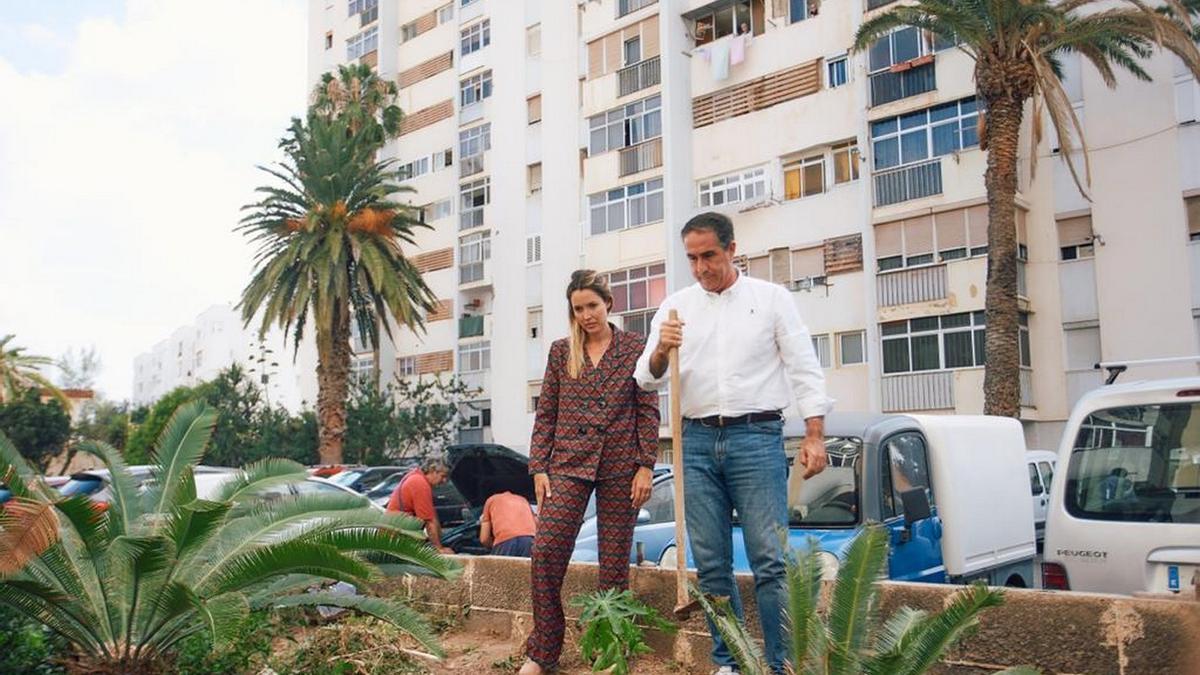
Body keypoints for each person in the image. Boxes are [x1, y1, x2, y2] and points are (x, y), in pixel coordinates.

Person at [635, 212, 833, 675]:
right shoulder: (675, 308)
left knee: (769, 557)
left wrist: (815, 433)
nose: (701, 267)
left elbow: (804, 367)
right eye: (692, 258)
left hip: (757, 437)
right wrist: (663, 348)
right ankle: (731, 663)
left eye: (709, 256)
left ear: (731, 249)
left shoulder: (771, 300)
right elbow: (645, 379)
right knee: (711, 563)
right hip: (696, 442)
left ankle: (781, 663)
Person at [519, 270, 661, 675]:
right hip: (566, 464)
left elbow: (647, 409)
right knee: (545, 553)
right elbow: (546, 412)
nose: (586, 315)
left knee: (613, 563)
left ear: (608, 304)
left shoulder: (636, 347)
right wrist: (539, 467)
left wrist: (645, 465)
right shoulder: (561, 351)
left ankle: (609, 648)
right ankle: (543, 650)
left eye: (592, 306)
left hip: (620, 466)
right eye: (578, 308)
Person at [387, 458, 454, 554]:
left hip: (396, 534)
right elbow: (429, 522)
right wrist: (439, 549)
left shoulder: (415, 476)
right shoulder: (420, 484)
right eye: (443, 476)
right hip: (396, 538)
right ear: (432, 471)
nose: (444, 481)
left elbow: (432, 516)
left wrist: (440, 541)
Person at [480, 489, 537, 557]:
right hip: (531, 541)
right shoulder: (523, 500)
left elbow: (484, 539)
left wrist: (494, 546)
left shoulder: (491, 500)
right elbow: (537, 523)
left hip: (505, 542)